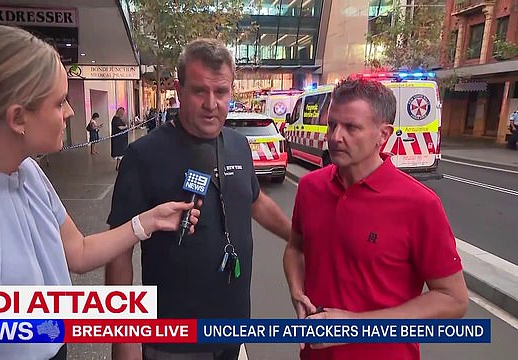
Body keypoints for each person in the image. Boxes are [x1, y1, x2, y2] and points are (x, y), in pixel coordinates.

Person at [0, 24, 200, 360]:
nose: (71, 112)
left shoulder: (29, 173)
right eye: (59, 102)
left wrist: (147, 222)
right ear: (18, 117)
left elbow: (78, 251)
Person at [105, 38, 292, 360]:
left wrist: (300, 237)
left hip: (232, 325)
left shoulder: (238, 146)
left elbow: (255, 201)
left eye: (221, 92)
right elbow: (118, 251)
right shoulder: (143, 155)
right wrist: (123, 339)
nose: (211, 103)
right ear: (179, 90)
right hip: (172, 337)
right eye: (199, 91)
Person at [283, 77, 468, 360]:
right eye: (332, 124)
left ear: (383, 134)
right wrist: (298, 292)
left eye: (351, 127)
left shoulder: (419, 204)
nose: (335, 137)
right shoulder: (310, 188)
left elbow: (453, 300)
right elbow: (296, 247)